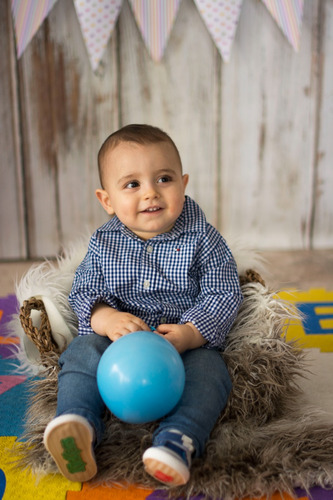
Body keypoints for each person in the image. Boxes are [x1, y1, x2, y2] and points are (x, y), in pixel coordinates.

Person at [43, 124, 243, 486]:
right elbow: (84, 289)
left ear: (183, 183)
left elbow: (223, 293)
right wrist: (105, 318)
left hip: (180, 343)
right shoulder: (105, 244)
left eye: (163, 179)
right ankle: (77, 425)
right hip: (120, 339)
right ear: (107, 200)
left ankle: (177, 440)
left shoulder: (204, 240)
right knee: (82, 352)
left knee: (212, 373)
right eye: (132, 184)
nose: (150, 193)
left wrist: (190, 333)